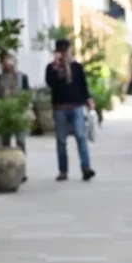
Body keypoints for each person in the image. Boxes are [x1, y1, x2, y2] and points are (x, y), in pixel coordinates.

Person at [45, 39, 96, 182]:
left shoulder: (76, 67)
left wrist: (88, 99)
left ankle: (86, 168)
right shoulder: (51, 68)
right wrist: (56, 66)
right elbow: (50, 83)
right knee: (61, 140)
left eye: (65, 50)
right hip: (60, 108)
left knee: (81, 136)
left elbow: (82, 85)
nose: (63, 53)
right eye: (60, 51)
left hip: (76, 106)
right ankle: (63, 170)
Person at [0, 55, 31, 153]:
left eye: (9, 62)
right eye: (4, 63)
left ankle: (21, 161)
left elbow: (26, 94)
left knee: (20, 140)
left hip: (19, 112)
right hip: (4, 112)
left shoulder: (22, 77)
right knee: (5, 141)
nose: (7, 65)